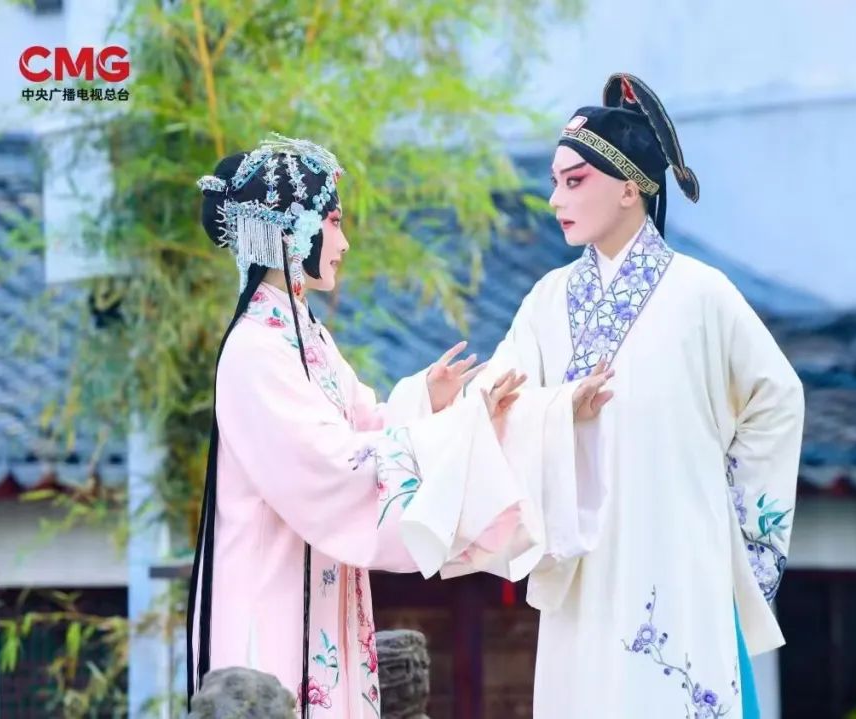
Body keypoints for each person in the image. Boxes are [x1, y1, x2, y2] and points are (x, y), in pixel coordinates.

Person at [186, 134, 580, 718]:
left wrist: (434, 405)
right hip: (271, 592)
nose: (343, 242)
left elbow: (366, 428)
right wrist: (456, 433)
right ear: (291, 231)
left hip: (316, 579)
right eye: (333, 222)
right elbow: (329, 465)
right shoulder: (255, 350)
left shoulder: (306, 337)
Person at [468, 74, 806, 718]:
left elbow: (777, 398)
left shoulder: (702, 294)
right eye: (555, 182)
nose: (555, 199)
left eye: (574, 181)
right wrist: (551, 412)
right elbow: (500, 399)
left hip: (678, 547)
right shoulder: (546, 302)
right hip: (582, 558)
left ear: (630, 187)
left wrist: (733, 524)